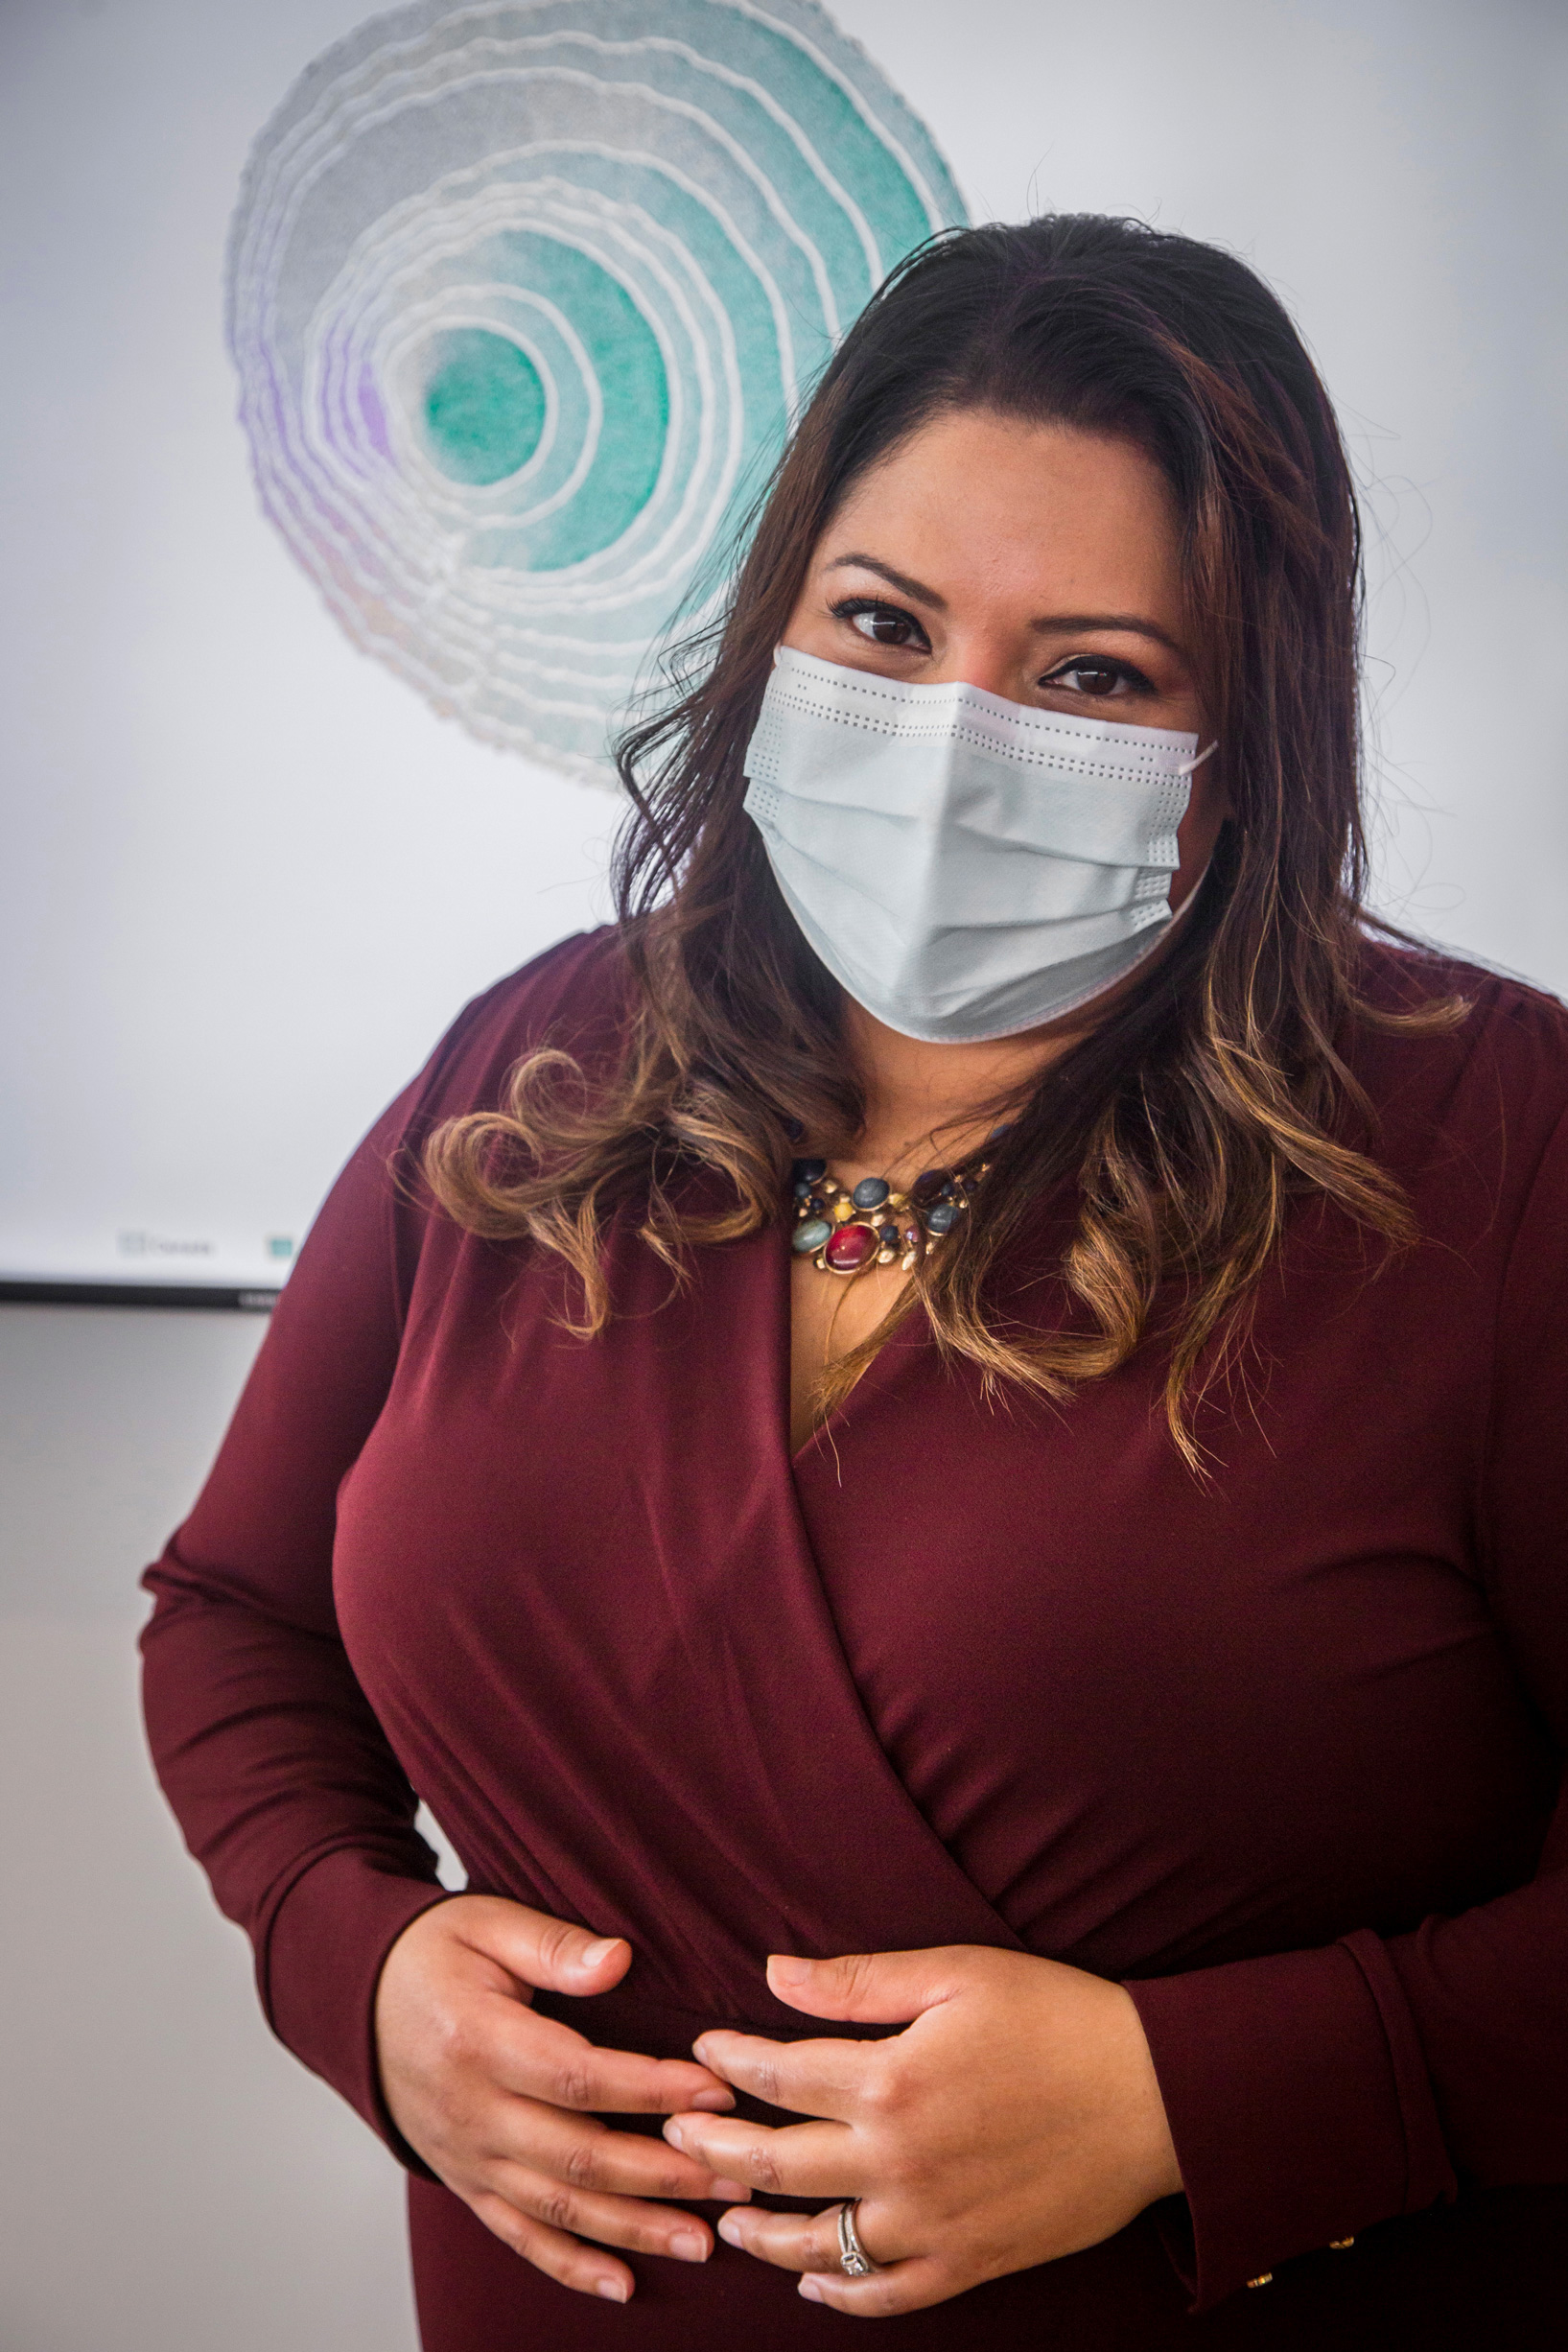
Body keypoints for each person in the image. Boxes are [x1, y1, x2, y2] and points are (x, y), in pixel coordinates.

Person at [141, 215, 1568, 2348]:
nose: (949, 740)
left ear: (1244, 728)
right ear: (769, 628)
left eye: (1089, 673)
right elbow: (237, 1617)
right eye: (882, 626)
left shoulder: (1491, 1147)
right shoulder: (536, 1068)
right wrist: (354, 1966)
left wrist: (1202, 2094)